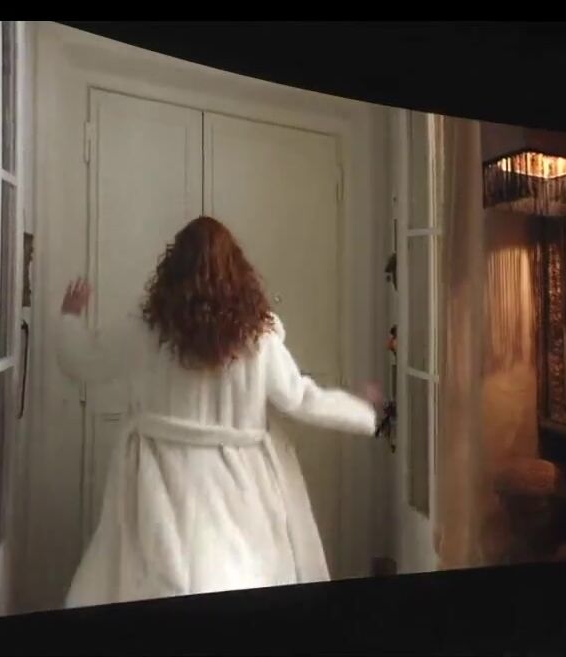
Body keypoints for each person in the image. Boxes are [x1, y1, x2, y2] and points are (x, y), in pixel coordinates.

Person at [58, 215, 382, 609]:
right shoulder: (257, 339)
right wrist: (363, 411)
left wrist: (70, 318)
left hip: (159, 479)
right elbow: (300, 399)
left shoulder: (146, 332)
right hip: (241, 480)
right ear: (236, 272)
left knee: (160, 581)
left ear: (173, 270)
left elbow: (85, 360)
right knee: (242, 573)